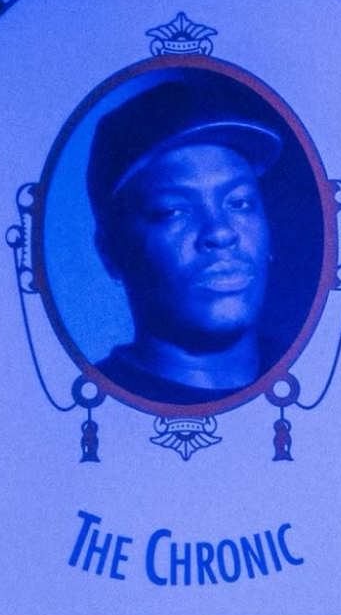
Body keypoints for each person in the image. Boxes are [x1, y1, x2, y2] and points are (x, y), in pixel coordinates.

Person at [83, 75, 288, 406]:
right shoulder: (90, 404)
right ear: (110, 254)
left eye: (239, 203)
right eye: (173, 211)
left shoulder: (326, 376)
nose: (220, 232)